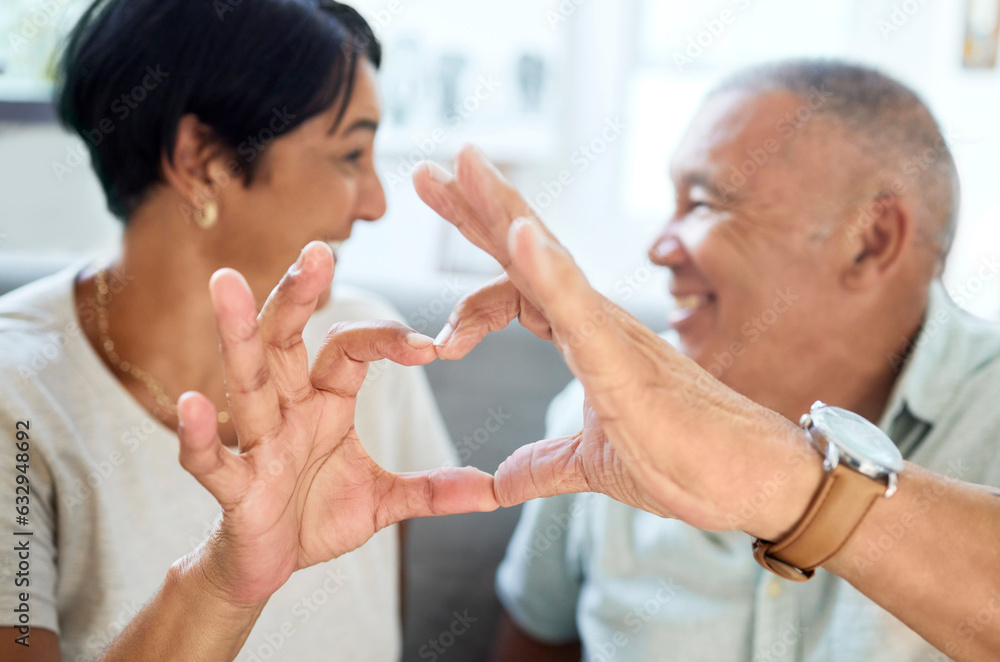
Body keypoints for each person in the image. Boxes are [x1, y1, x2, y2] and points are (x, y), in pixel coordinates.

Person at [410, 58, 1000, 662]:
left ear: (870, 240)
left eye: (704, 203)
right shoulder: (601, 417)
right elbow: (533, 644)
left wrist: (791, 483)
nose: (660, 247)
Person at [0, 1, 495, 660]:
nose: (376, 204)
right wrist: (227, 583)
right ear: (202, 158)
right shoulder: (18, 397)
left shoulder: (364, 353)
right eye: (350, 154)